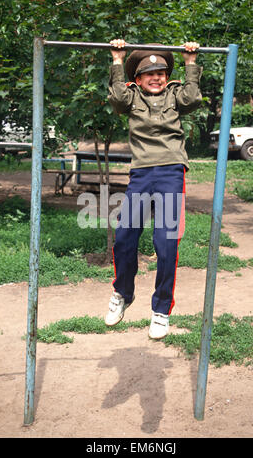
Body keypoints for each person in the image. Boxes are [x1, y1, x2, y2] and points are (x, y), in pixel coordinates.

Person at [105, 39, 202, 339]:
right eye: (149, 73)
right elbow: (117, 98)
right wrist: (118, 60)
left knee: (166, 245)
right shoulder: (131, 97)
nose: (157, 76)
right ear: (138, 79)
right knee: (124, 238)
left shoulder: (175, 94)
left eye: (161, 71)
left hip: (171, 173)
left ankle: (161, 310)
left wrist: (190, 63)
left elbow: (192, 97)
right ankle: (123, 292)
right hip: (141, 175)